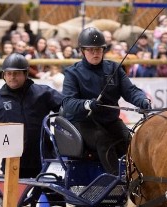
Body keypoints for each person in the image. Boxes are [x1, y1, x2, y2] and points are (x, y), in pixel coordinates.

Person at [61, 27, 151, 174]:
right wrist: (87, 104)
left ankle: (138, 178)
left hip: (109, 121)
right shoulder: (72, 73)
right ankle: (117, 180)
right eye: (91, 50)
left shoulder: (114, 68)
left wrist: (143, 101)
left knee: (130, 141)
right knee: (104, 141)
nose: (96, 53)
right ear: (82, 51)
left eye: (99, 49)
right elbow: (68, 103)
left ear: (103, 50)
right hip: (83, 122)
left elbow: (130, 91)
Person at [0, 53, 64, 178]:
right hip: (12, 164)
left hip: (44, 160)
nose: (12, 77)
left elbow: (67, 108)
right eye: (9, 73)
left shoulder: (43, 93)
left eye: (16, 73)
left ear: (25, 74)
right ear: (4, 75)